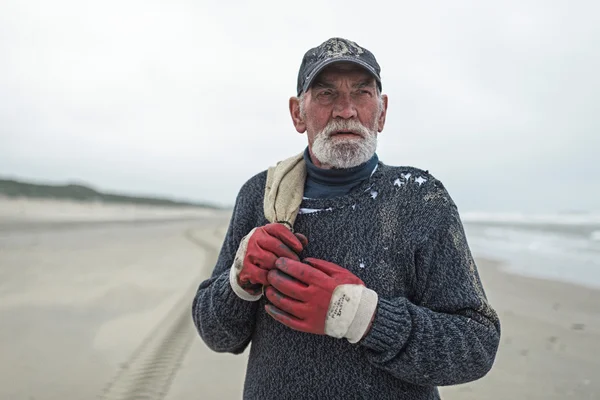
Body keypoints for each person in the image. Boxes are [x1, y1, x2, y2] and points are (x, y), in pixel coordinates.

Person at [192, 37, 501, 399]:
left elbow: (476, 345)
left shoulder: (420, 197)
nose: (346, 110)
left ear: (382, 112)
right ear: (297, 113)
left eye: (362, 93)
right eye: (325, 94)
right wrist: (239, 281)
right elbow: (217, 335)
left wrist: (362, 316)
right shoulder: (260, 196)